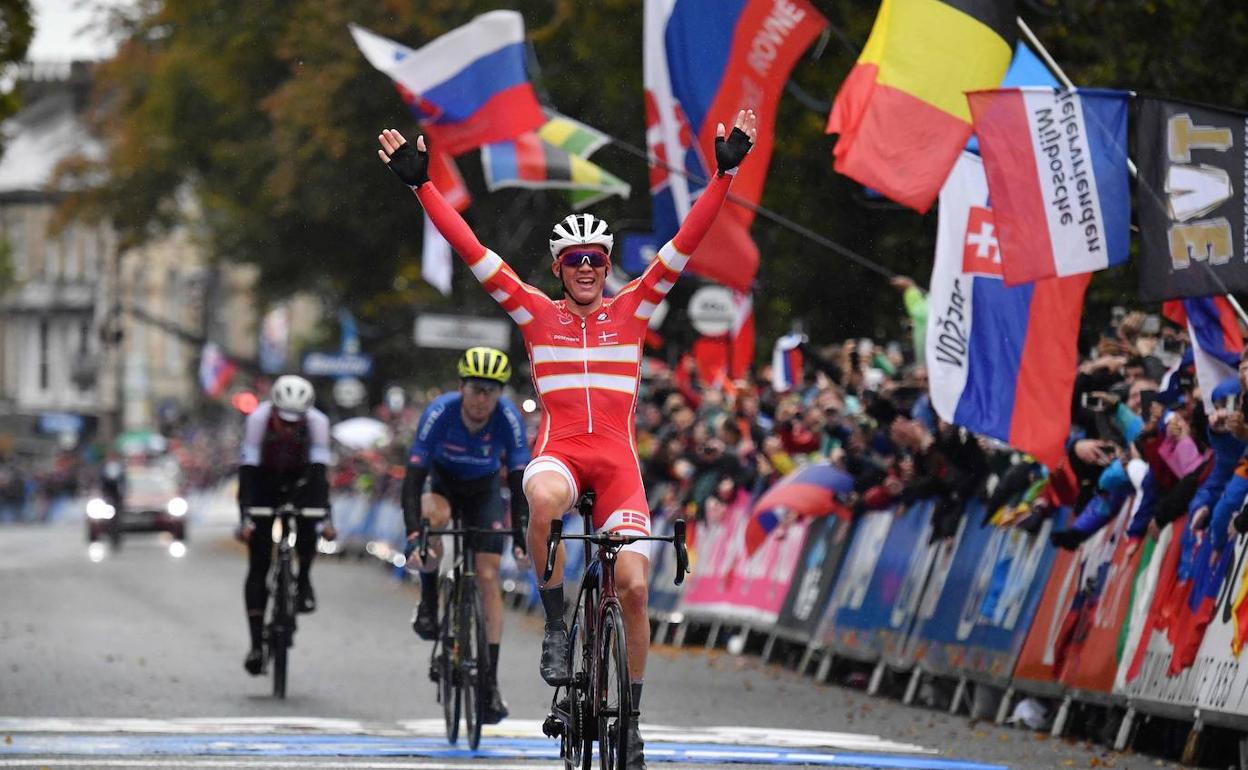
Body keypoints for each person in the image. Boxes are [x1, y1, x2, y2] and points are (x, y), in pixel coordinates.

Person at [378, 109, 756, 769]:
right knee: (543, 499)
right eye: (574, 260)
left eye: (596, 260)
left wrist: (724, 176)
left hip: (617, 467)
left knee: (633, 587)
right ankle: (556, 624)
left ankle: (630, 720)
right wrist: (422, 186)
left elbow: (687, 240)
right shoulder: (535, 312)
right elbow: (472, 250)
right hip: (560, 455)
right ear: (559, 267)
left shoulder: (635, 306)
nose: (586, 268)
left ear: (607, 266)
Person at [402, 346, 531, 725]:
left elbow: (519, 482)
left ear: (500, 393)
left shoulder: (508, 418)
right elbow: (412, 481)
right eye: (476, 389)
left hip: (484, 490)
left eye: (491, 391)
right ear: (461, 387)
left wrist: (521, 534)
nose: (482, 399)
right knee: (432, 519)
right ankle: (429, 603)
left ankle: (489, 684)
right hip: (443, 485)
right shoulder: (439, 412)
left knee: (488, 576)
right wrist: (414, 535)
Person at [236, 374, 334, 676]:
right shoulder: (258, 419)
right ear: (274, 410)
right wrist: (246, 517)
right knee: (259, 563)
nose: (289, 427)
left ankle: (303, 580)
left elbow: (320, 475)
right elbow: (247, 472)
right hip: (264, 482)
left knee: (308, 527)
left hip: (301, 482)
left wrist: (325, 517)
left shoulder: (317, 422)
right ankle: (256, 645)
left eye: (295, 422)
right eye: (284, 421)